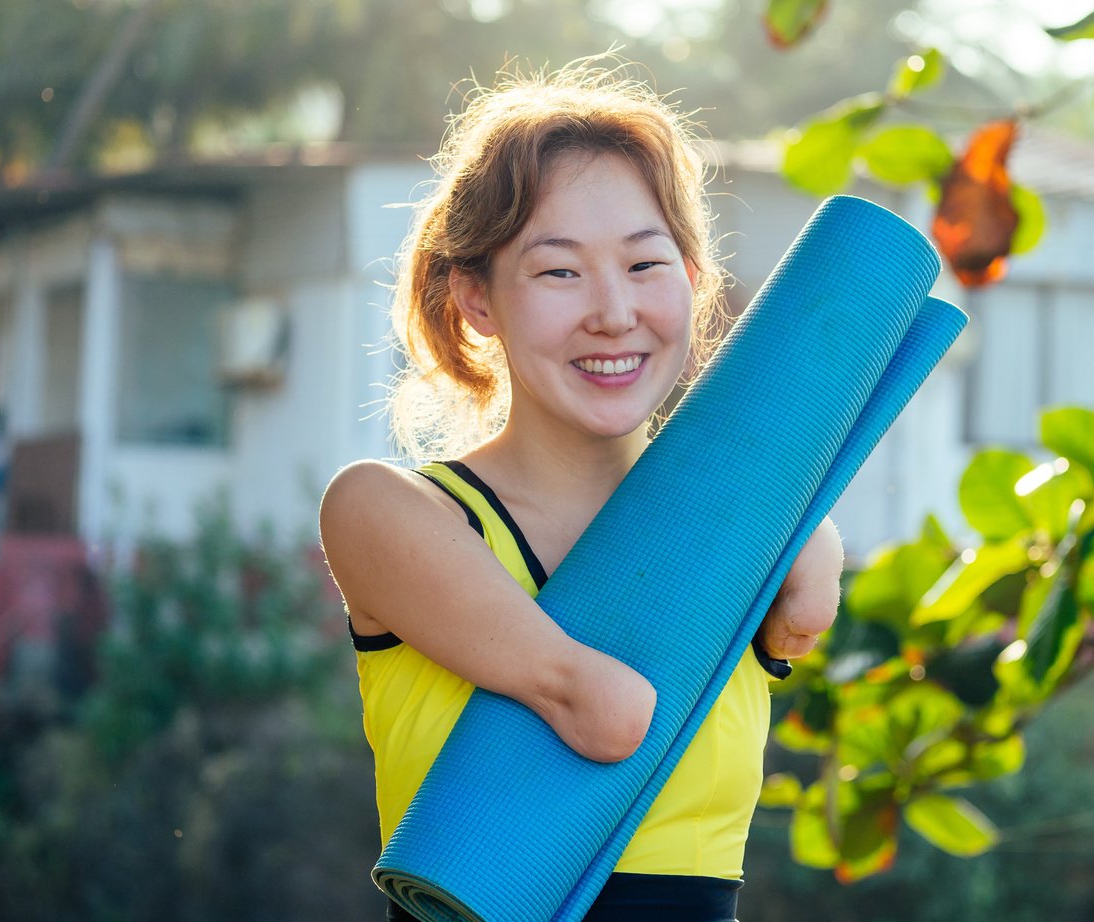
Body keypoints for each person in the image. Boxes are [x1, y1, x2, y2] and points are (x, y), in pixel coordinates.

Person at [318, 60, 844, 922]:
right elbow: (605, 714)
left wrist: (803, 529)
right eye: (559, 272)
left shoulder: (767, 532)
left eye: (645, 264)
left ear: (693, 277)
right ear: (476, 300)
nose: (612, 313)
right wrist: (793, 527)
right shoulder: (388, 513)